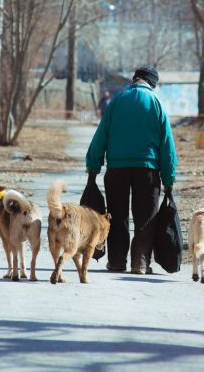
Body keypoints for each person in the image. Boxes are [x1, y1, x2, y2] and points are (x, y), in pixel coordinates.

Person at [86, 66, 177, 274]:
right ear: (152, 84)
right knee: (146, 218)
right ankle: (140, 262)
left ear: (135, 79)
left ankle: (117, 261)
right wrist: (169, 176)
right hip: (148, 170)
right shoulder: (156, 104)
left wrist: (93, 165)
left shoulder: (117, 101)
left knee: (117, 215)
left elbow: (101, 135)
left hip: (117, 169)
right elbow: (166, 144)